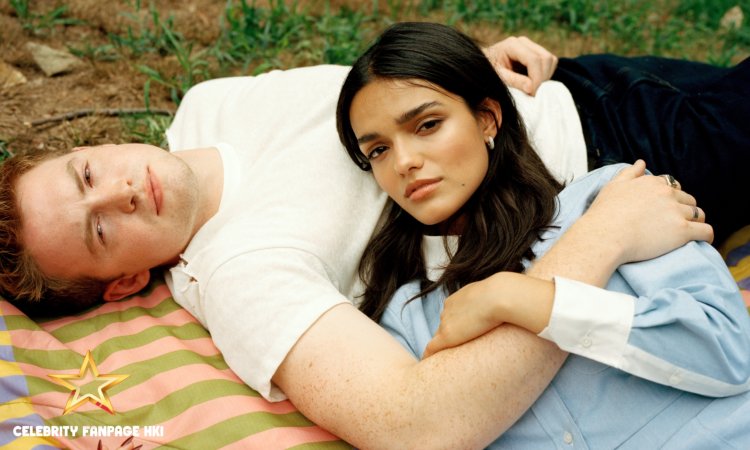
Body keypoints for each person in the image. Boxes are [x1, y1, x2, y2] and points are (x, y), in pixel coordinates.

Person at [0, 32, 728, 450]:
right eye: (101, 229)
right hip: (604, 156)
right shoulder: (242, 274)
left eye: (86, 172)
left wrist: (460, 64)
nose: (119, 192)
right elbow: (418, 424)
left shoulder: (204, 106)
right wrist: (599, 239)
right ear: (125, 283)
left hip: (560, 86)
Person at [335, 21, 750, 448]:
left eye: (427, 125)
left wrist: (519, 298)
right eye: (378, 150)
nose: (403, 162)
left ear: (487, 119)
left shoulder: (609, 197)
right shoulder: (405, 320)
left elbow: (727, 352)